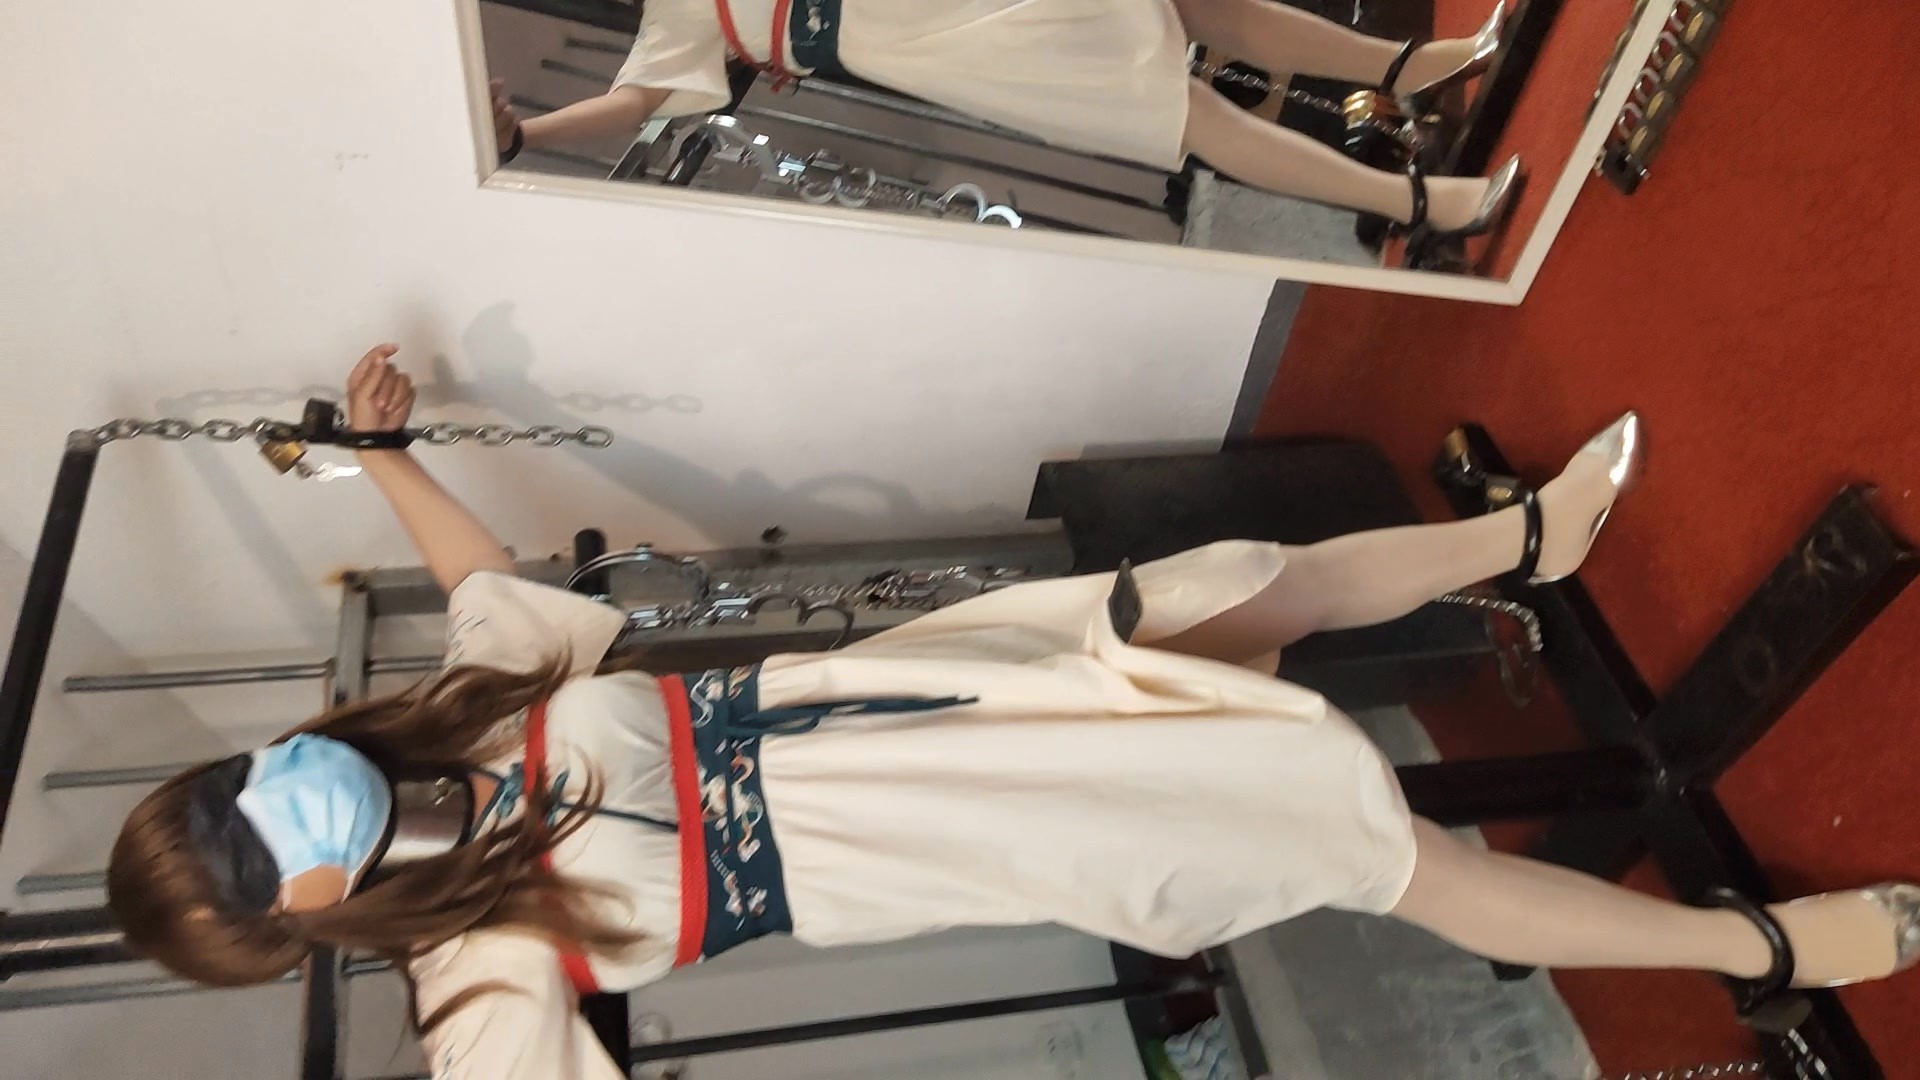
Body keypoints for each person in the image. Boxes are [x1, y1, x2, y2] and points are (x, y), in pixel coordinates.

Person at [109, 346, 1917, 1080]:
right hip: (976, 825)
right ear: (294, 923)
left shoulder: (440, 728)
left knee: (1247, 581)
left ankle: (1518, 543)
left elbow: (489, 586)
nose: (277, 796)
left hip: (944, 687)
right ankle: (1763, 952)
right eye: (252, 852)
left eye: (226, 790)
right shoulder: (476, 993)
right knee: (1383, 859)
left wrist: (383, 457)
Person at [490, 0, 1524, 239]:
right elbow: (633, 103)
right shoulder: (670, 19)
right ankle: (1418, 201)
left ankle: (1421, 69)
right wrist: (524, 138)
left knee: (1197, 3)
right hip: (947, 41)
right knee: (1182, 111)